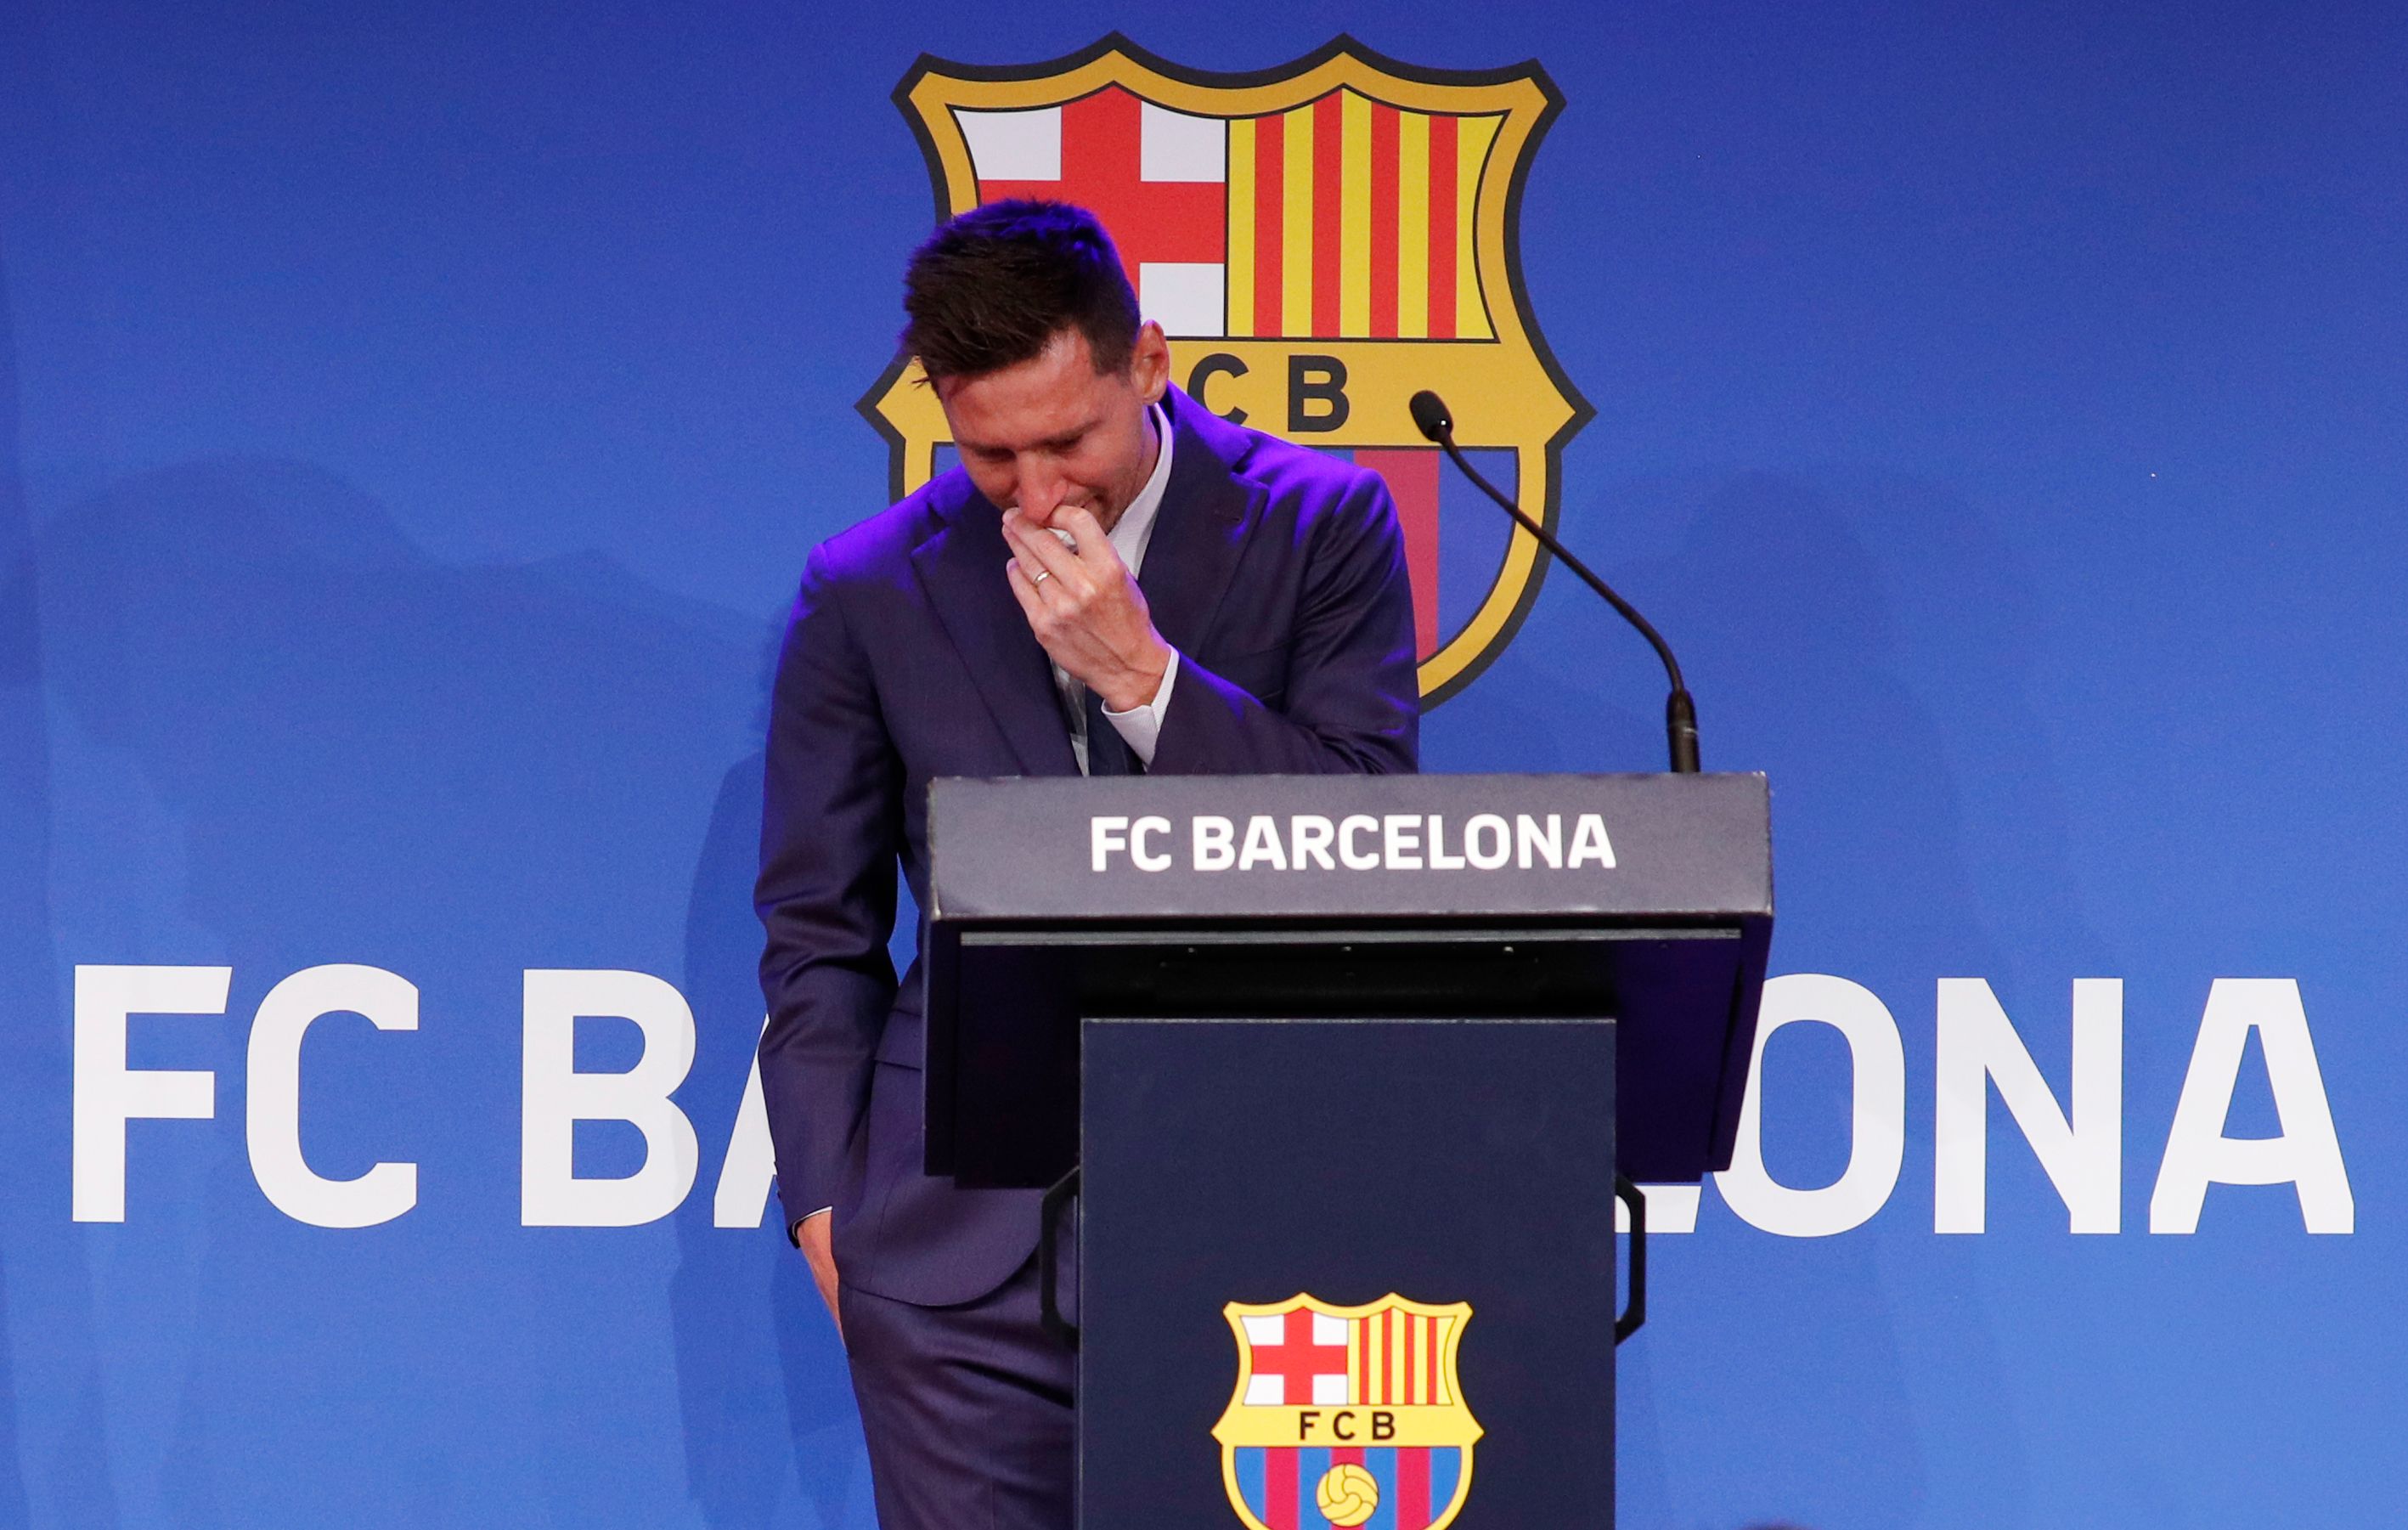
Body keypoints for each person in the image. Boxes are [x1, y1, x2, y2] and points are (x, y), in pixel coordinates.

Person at [754, 199, 1419, 1529]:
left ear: (1149, 364)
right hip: (956, 1259)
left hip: (1272, 1220)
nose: (1041, 494)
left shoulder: (1324, 524)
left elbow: (1366, 841)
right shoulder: (869, 587)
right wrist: (828, 1203)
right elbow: (818, 929)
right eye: (993, 454)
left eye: (1069, 440)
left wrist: (1145, 679)